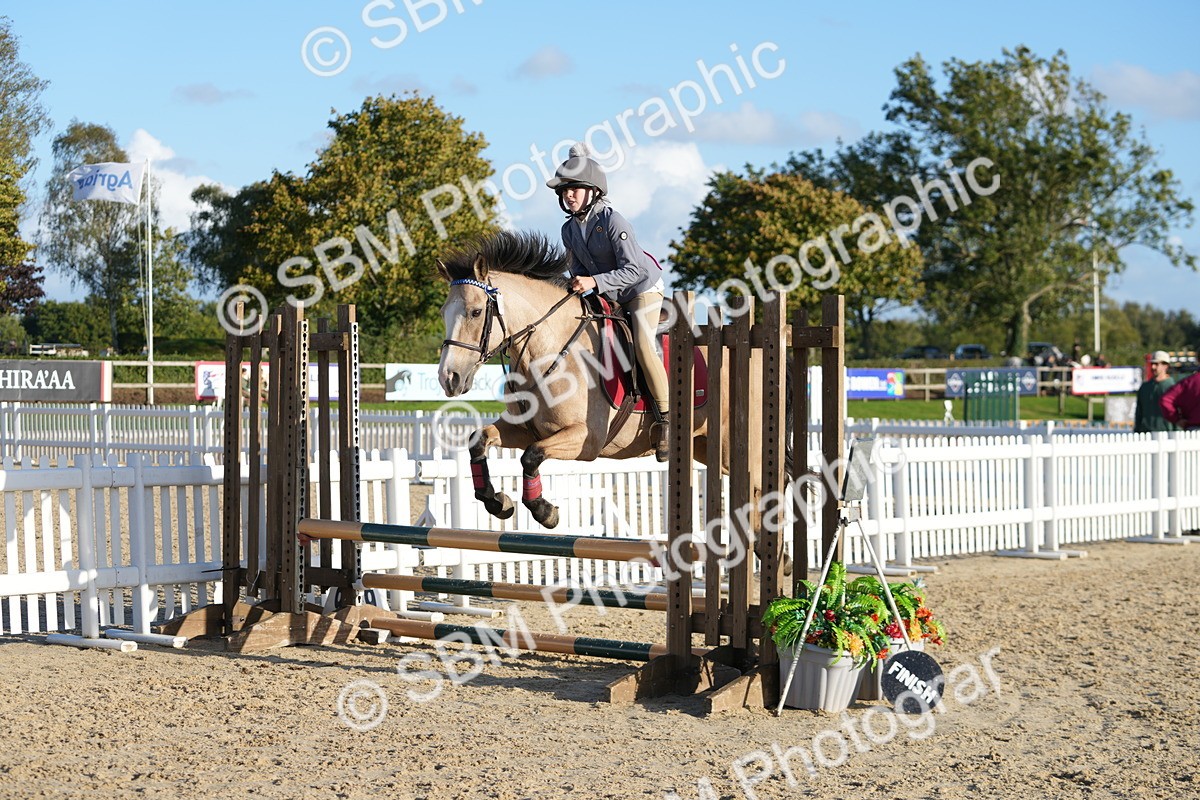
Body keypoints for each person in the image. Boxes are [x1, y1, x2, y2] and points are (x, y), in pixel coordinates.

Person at [546, 143, 671, 461]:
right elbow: (578, 270)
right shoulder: (569, 229)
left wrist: (594, 282)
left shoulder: (613, 221)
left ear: (593, 191)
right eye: (564, 191)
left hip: (642, 288)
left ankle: (667, 420)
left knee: (642, 344)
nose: (568, 195)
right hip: (609, 293)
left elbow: (634, 269)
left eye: (574, 189)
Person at [1134, 351, 1179, 433]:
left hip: (1168, 434)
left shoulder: (1173, 388)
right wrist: (1137, 430)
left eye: (1157, 364)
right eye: (1152, 364)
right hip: (1146, 434)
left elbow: (1178, 414)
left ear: (1166, 366)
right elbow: (1139, 412)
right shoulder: (1144, 387)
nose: (1153, 367)